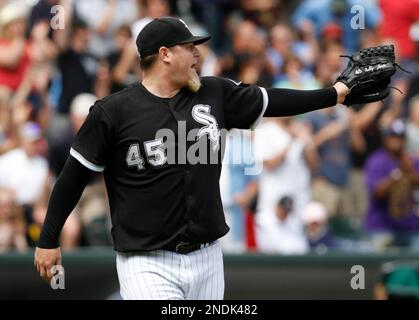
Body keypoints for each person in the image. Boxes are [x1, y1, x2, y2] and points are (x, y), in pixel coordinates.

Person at [34, 17, 350, 300]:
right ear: (165, 54)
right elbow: (72, 177)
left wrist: (334, 93)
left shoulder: (214, 93)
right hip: (146, 261)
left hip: (207, 256)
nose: (198, 55)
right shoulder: (113, 112)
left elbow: (274, 100)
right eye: (189, 47)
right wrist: (49, 238)